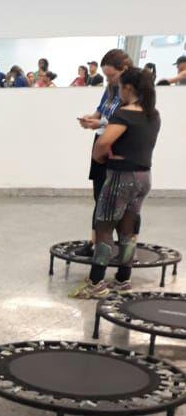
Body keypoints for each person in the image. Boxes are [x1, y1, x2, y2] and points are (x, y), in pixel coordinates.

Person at [73, 68, 160, 298]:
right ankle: (123, 279)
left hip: (122, 177)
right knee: (128, 228)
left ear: (128, 88)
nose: (118, 91)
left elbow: (103, 143)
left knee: (104, 227)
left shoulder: (124, 114)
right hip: (144, 177)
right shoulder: (153, 114)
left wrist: (99, 157)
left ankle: (96, 283)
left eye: (120, 87)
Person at [73, 48, 134, 288]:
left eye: (111, 75)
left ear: (124, 70)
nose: (108, 80)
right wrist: (91, 120)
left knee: (119, 205)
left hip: (117, 148)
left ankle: (120, 255)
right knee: (99, 198)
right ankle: (94, 242)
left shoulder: (131, 93)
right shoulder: (109, 90)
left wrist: (101, 123)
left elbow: (126, 121)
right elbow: (101, 112)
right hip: (101, 142)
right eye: (106, 76)